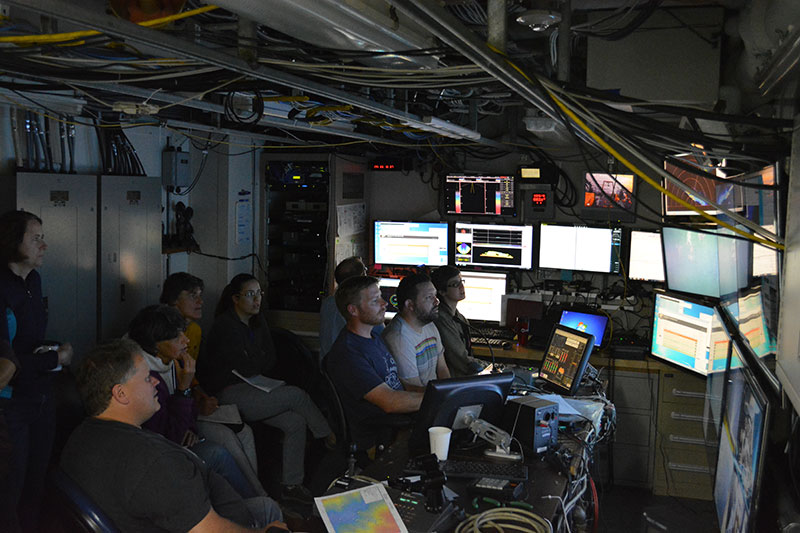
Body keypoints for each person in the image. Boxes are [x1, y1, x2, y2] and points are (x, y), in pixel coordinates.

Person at [60, 339, 285, 532]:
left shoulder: (79, 437)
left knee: (266, 506)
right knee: (269, 513)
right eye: (147, 378)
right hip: (220, 523)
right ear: (121, 393)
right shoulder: (153, 461)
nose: (156, 383)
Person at [198, 273, 333, 505]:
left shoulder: (258, 323)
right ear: (235, 299)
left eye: (259, 293)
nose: (256, 299)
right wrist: (253, 362)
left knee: (295, 422)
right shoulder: (225, 326)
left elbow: (268, 360)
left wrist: (253, 361)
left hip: (255, 386)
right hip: (229, 393)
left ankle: (292, 485)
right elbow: (245, 365)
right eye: (250, 294)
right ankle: (328, 437)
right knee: (295, 395)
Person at [127, 304, 266, 499]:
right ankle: (255, 506)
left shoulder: (171, 362)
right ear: (156, 344)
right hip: (161, 452)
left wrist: (190, 427)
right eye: (177, 337)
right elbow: (168, 437)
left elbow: (187, 416)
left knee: (243, 433)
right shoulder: (146, 378)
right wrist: (184, 389)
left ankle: (259, 498)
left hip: (180, 432)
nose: (186, 340)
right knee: (218, 453)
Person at [0, 210, 74, 532]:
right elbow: (6, 364)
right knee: (10, 491)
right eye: (36, 238)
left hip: (41, 396)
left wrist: (51, 352)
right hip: (11, 404)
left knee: (37, 484)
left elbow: (27, 343)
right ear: (13, 242)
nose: (44, 245)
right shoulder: (2, 289)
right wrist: (55, 358)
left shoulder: (34, 279)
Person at [161, 273, 262, 494]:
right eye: (192, 296)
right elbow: (172, 388)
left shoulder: (194, 331)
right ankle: (256, 499)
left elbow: (191, 377)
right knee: (225, 440)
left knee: (244, 432)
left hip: (189, 403)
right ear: (172, 300)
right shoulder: (160, 337)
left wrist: (202, 396)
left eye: (201, 296)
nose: (200, 302)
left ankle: (258, 497)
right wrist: (193, 408)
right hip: (176, 410)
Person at [327, 276, 423, 450]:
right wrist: (434, 399)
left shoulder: (374, 338)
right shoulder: (348, 354)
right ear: (353, 310)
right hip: (382, 436)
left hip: (402, 422)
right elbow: (390, 402)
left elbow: (397, 384)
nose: (384, 303)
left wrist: (437, 390)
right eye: (374, 301)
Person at [381, 273, 450, 391]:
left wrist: (451, 393)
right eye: (429, 297)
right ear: (410, 305)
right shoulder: (399, 337)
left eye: (435, 296)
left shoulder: (428, 324)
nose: (437, 301)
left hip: (436, 397)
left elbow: (442, 369)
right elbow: (414, 389)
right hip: (420, 403)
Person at [430, 266, 487, 377]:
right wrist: (490, 366)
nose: (462, 287)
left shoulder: (459, 317)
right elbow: (461, 359)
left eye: (461, 281)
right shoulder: (442, 319)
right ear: (442, 291)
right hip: (455, 379)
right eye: (456, 284)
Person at [319, 256, 370, 360]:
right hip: (351, 369)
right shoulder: (361, 308)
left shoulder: (327, 303)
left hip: (327, 368)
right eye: (365, 270)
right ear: (361, 278)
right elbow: (383, 340)